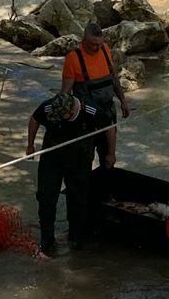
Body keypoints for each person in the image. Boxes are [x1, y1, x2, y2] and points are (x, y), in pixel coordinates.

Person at [26, 89, 93, 256]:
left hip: (79, 159)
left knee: (77, 198)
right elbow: (35, 119)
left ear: (71, 111)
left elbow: (109, 129)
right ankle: (47, 240)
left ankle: (75, 237)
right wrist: (30, 145)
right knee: (46, 197)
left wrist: (111, 154)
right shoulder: (48, 107)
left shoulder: (90, 110)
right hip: (52, 158)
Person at [62, 23, 130, 168]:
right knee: (83, 158)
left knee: (108, 155)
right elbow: (65, 92)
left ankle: (106, 183)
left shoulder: (105, 49)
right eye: (92, 44)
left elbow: (114, 78)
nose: (96, 48)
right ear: (83, 40)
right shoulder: (73, 58)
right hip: (86, 118)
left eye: (99, 44)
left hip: (107, 112)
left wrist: (123, 100)